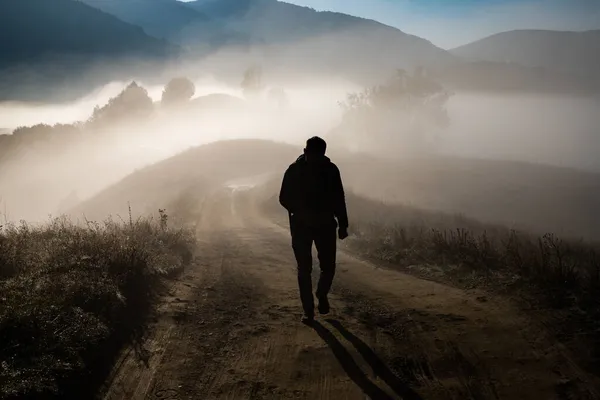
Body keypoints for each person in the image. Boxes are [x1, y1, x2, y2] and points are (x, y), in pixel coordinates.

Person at [279, 136, 349, 324]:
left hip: (325, 225)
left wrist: (343, 224)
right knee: (304, 269)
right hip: (302, 225)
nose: (316, 159)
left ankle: (321, 293)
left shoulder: (331, 170)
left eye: (319, 155)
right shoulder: (294, 170)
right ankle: (308, 310)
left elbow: (339, 197)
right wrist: (300, 210)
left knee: (329, 267)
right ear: (305, 152)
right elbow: (283, 197)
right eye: (313, 154)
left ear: (324, 153)